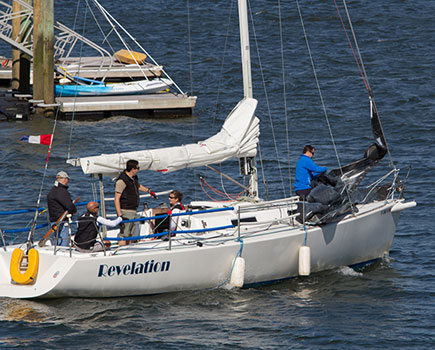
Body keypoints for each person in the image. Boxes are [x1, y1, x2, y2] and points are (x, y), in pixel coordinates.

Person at [114, 159, 157, 245]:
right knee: (124, 235)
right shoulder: (122, 181)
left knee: (131, 233)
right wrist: (120, 216)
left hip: (133, 210)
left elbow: (138, 186)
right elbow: (116, 199)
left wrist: (149, 191)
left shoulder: (134, 178)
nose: (138, 169)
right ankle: (121, 251)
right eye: (138, 168)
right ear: (133, 169)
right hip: (125, 211)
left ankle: (129, 249)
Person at [47, 171, 77, 246]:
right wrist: (74, 210)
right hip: (62, 220)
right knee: (64, 240)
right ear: (65, 179)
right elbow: (69, 206)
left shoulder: (52, 191)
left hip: (53, 219)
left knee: (55, 240)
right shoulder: (62, 191)